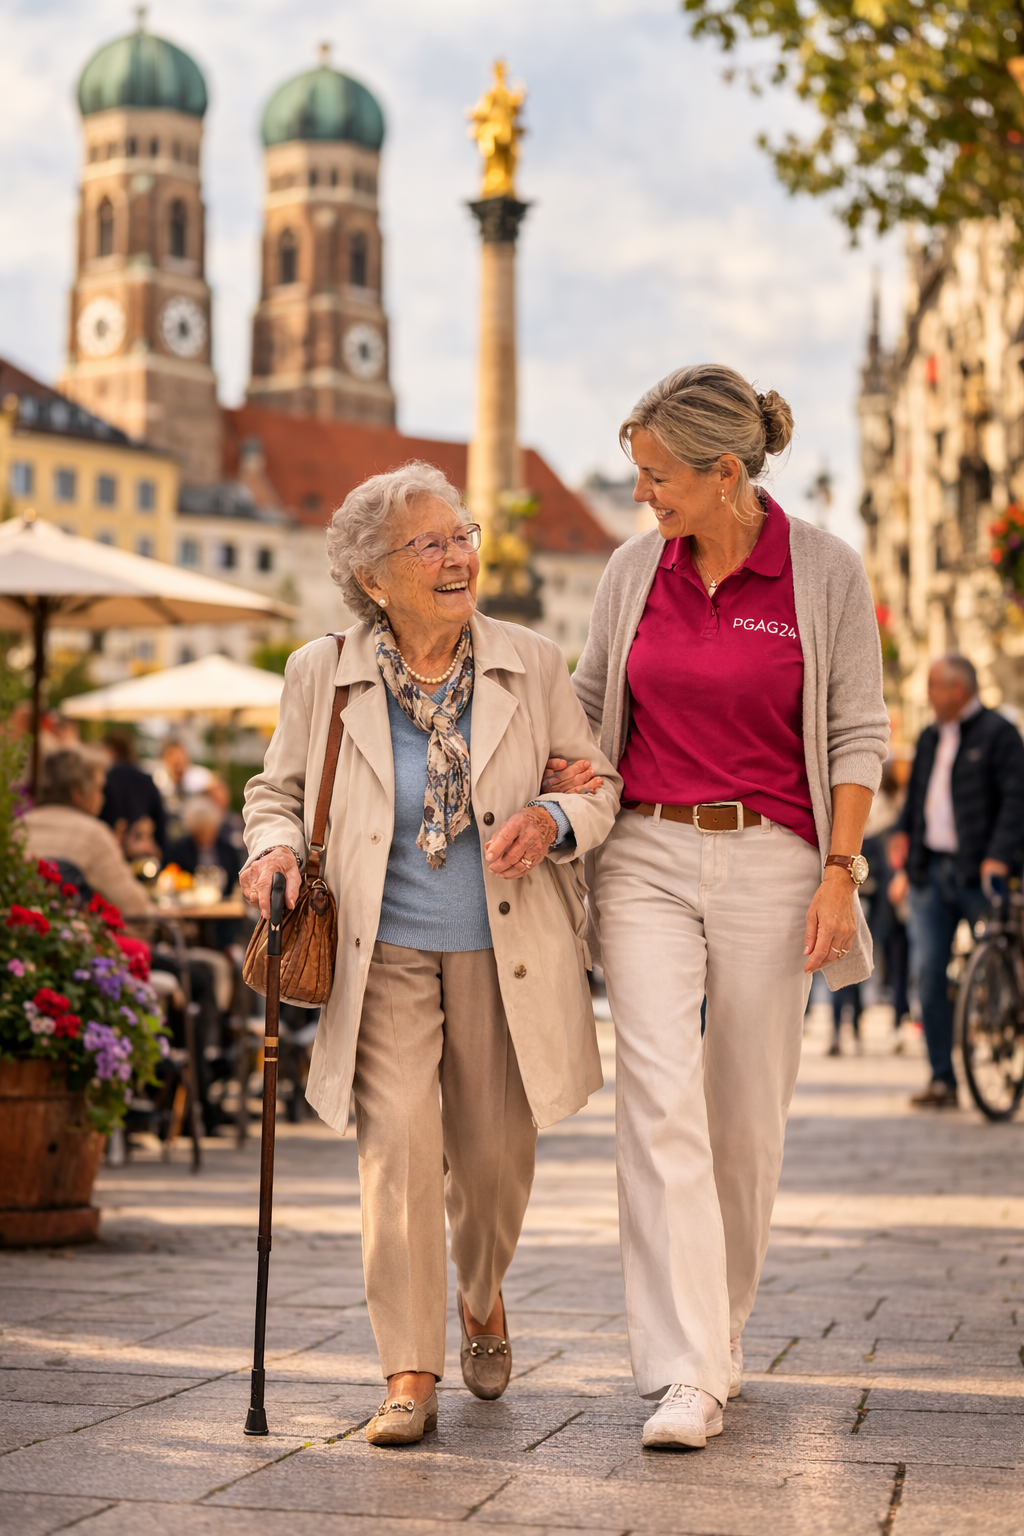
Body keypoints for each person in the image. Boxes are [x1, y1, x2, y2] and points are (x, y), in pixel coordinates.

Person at [241, 461, 620, 1446]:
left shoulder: (529, 662)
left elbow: (596, 783)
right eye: (431, 544)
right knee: (398, 1153)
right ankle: (408, 1369)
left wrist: (551, 815)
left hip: (508, 953)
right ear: (374, 577)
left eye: (463, 535)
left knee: (494, 1162)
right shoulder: (320, 674)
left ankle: (481, 1290)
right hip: (383, 954)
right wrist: (274, 847)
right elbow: (273, 793)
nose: (459, 557)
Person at [561, 364, 888, 1450]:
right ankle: (683, 1368)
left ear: (726, 472)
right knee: (654, 1099)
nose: (642, 493)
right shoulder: (629, 570)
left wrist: (839, 872)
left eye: (658, 476)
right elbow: (588, 701)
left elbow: (855, 735)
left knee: (743, 1114)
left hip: (775, 862)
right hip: (647, 851)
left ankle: (720, 1335)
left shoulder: (823, 574)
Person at [888, 654, 1024, 1107]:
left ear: (959, 690)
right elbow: (917, 799)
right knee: (928, 972)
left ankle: (1005, 1032)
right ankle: (943, 1079)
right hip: (932, 874)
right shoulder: (928, 738)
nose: (928, 694)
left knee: (1004, 961)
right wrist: (903, 842)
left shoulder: (999, 735)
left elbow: (1015, 803)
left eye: (934, 686)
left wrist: (999, 858)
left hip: (979, 875)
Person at [21, 748, 153, 920]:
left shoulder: (18, 827)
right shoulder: (93, 835)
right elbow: (134, 907)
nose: (103, 799)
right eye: (99, 789)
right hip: (79, 941)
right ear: (77, 794)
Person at [100, 730, 167, 857]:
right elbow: (160, 819)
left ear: (110, 749)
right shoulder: (145, 779)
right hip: (143, 850)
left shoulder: (105, 779)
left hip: (112, 849)